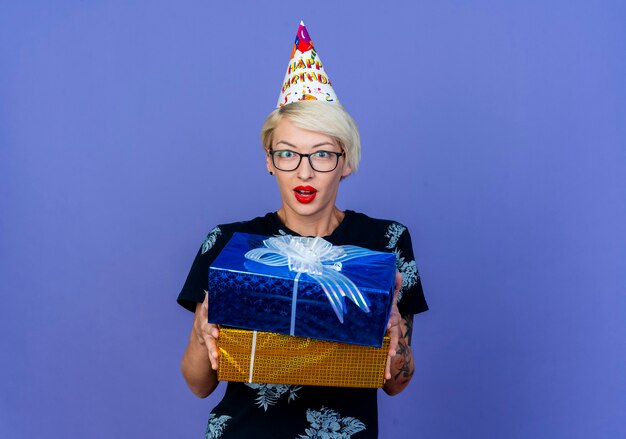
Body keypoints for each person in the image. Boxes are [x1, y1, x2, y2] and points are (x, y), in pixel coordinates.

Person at [178, 22, 428, 439]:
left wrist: (397, 331)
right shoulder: (229, 245)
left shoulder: (384, 244)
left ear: (347, 162)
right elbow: (199, 384)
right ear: (269, 160)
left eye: (323, 154)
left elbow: (395, 384)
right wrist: (202, 330)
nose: (305, 171)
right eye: (288, 153)